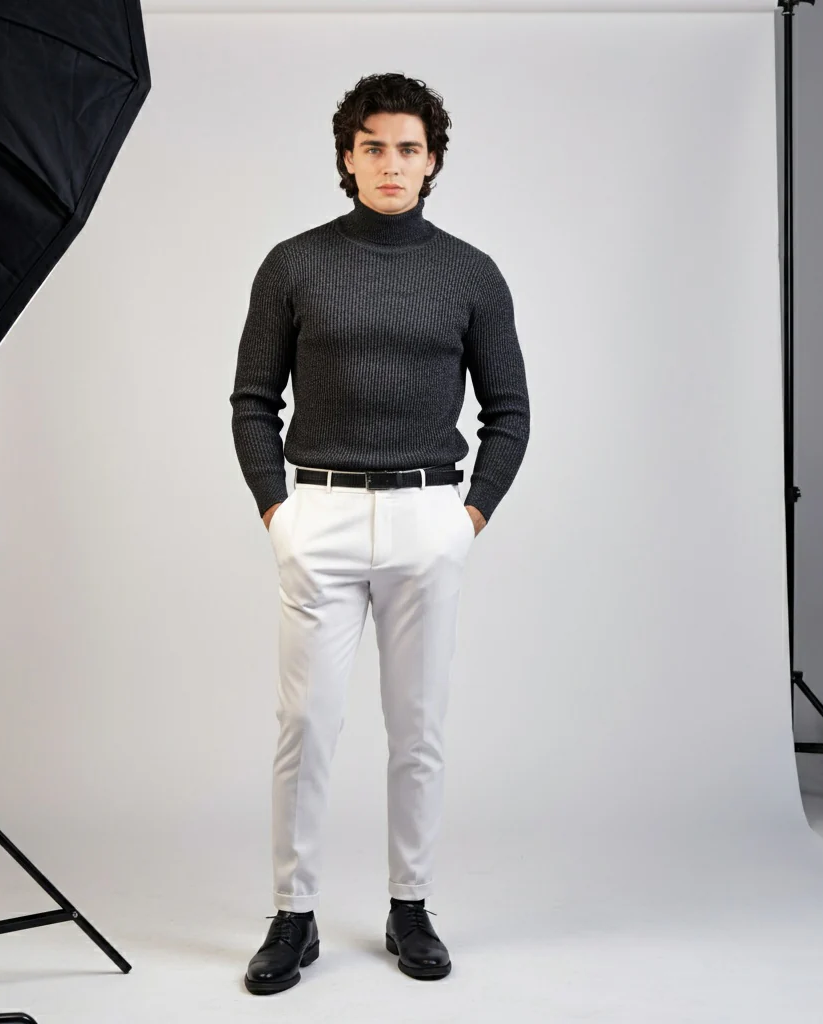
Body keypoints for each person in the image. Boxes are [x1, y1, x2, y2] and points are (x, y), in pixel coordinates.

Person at [230, 72, 530, 994]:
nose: (391, 164)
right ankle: (293, 915)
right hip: (317, 514)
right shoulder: (293, 265)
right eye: (373, 147)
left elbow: (510, 411)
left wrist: (466, 519)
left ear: (432, 161)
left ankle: (411, 906)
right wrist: (277, 511)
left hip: (426, 516)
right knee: (305, 726)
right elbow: (252, 400)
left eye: (408, 148)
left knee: (418, 729)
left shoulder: (471, 273)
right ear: (347, 158)